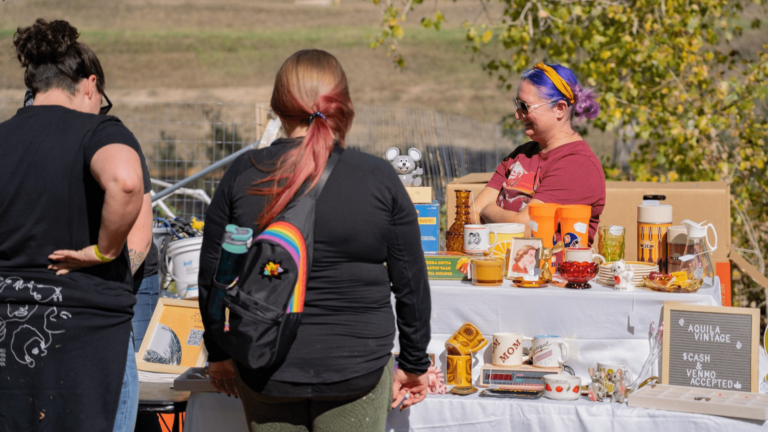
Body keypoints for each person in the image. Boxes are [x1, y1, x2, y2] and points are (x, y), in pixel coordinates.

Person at [198, 49, 431, 432]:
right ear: (343, 105)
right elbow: (410, 283)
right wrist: (414, 363)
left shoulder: (243, 175)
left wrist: (220, 353)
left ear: (277, 106)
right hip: (356, 368)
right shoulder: (377, 178)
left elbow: (214, 277)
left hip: (263, 365)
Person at [0, 19, 151, 432]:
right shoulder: (99, 132)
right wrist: (103, 251)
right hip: (89, 337)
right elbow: (125, 181)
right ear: (90, 84)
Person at [471, 63, 606, 245]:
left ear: (559, 108)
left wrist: (487, 210)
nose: (518, 115)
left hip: (549, 272)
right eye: (517, 105)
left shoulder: (577, 165)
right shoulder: (520, 155)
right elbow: (472, 213)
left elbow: (526, 229)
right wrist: (503, 219)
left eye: (525, 106)